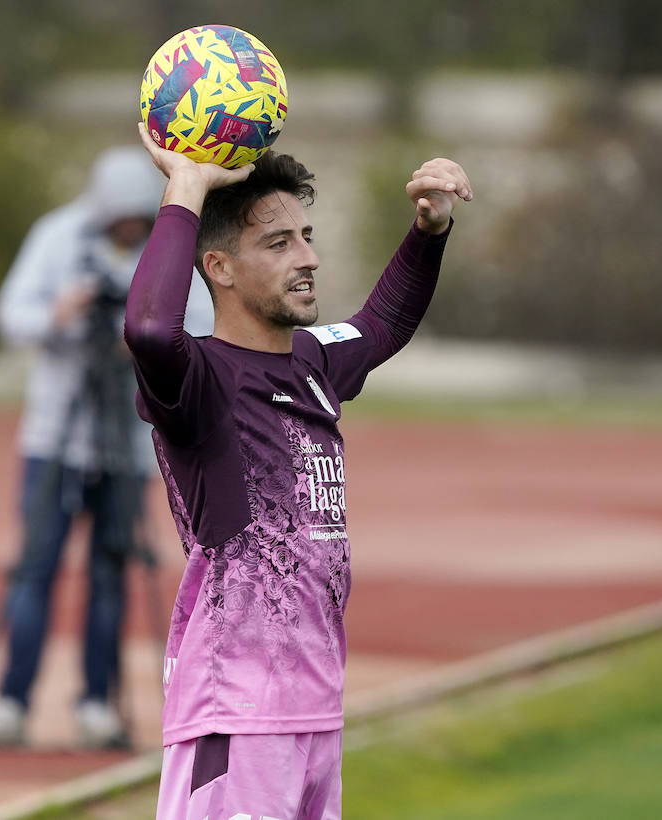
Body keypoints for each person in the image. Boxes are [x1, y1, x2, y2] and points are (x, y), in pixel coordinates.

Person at [125, 121, 472, 819]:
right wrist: (185, 189)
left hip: (312, 710)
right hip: (236, 713)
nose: (306, 256)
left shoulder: (311, 360)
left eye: (306, 236)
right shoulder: (201, 378)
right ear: (219, 267)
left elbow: (382, 325)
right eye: (278, 243)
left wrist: (428, 231)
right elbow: (148, 329)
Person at [0, 146, 214, 748]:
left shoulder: (170, 245)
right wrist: (58, 316)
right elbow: (10, 314)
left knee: (110, 572)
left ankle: (96, 704)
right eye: (119, 220)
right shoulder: (57, 236)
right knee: (34, 569)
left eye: (138, 219)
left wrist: (149, 339)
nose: (128, 229)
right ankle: (11, 700)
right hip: (53, 438)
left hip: (127, 444)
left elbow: (203, 328)